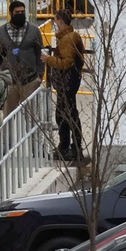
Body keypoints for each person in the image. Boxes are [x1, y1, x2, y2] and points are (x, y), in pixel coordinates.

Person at [41, 9, 86, 162]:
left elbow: (67, 62)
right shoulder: (69, 37)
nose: (55, 24)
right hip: (68, 82)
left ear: (60, 21)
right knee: (68, 114)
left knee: (64, 115)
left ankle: (68, 147)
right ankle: (71, 146)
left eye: (56, 21)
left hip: (67, 82)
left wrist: (48, 59)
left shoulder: (67, 38)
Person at [0, 0, 44, 114]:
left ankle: (33, 133)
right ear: (11, 13)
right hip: (9, 81)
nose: (20, 14)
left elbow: (40, 52)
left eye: (22, 12)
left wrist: (40, 75)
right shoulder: (0, 32)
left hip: (30, 80)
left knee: (32, 117)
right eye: (17, 12)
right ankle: (6, 133)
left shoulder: (34, 31)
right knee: (7, 116)